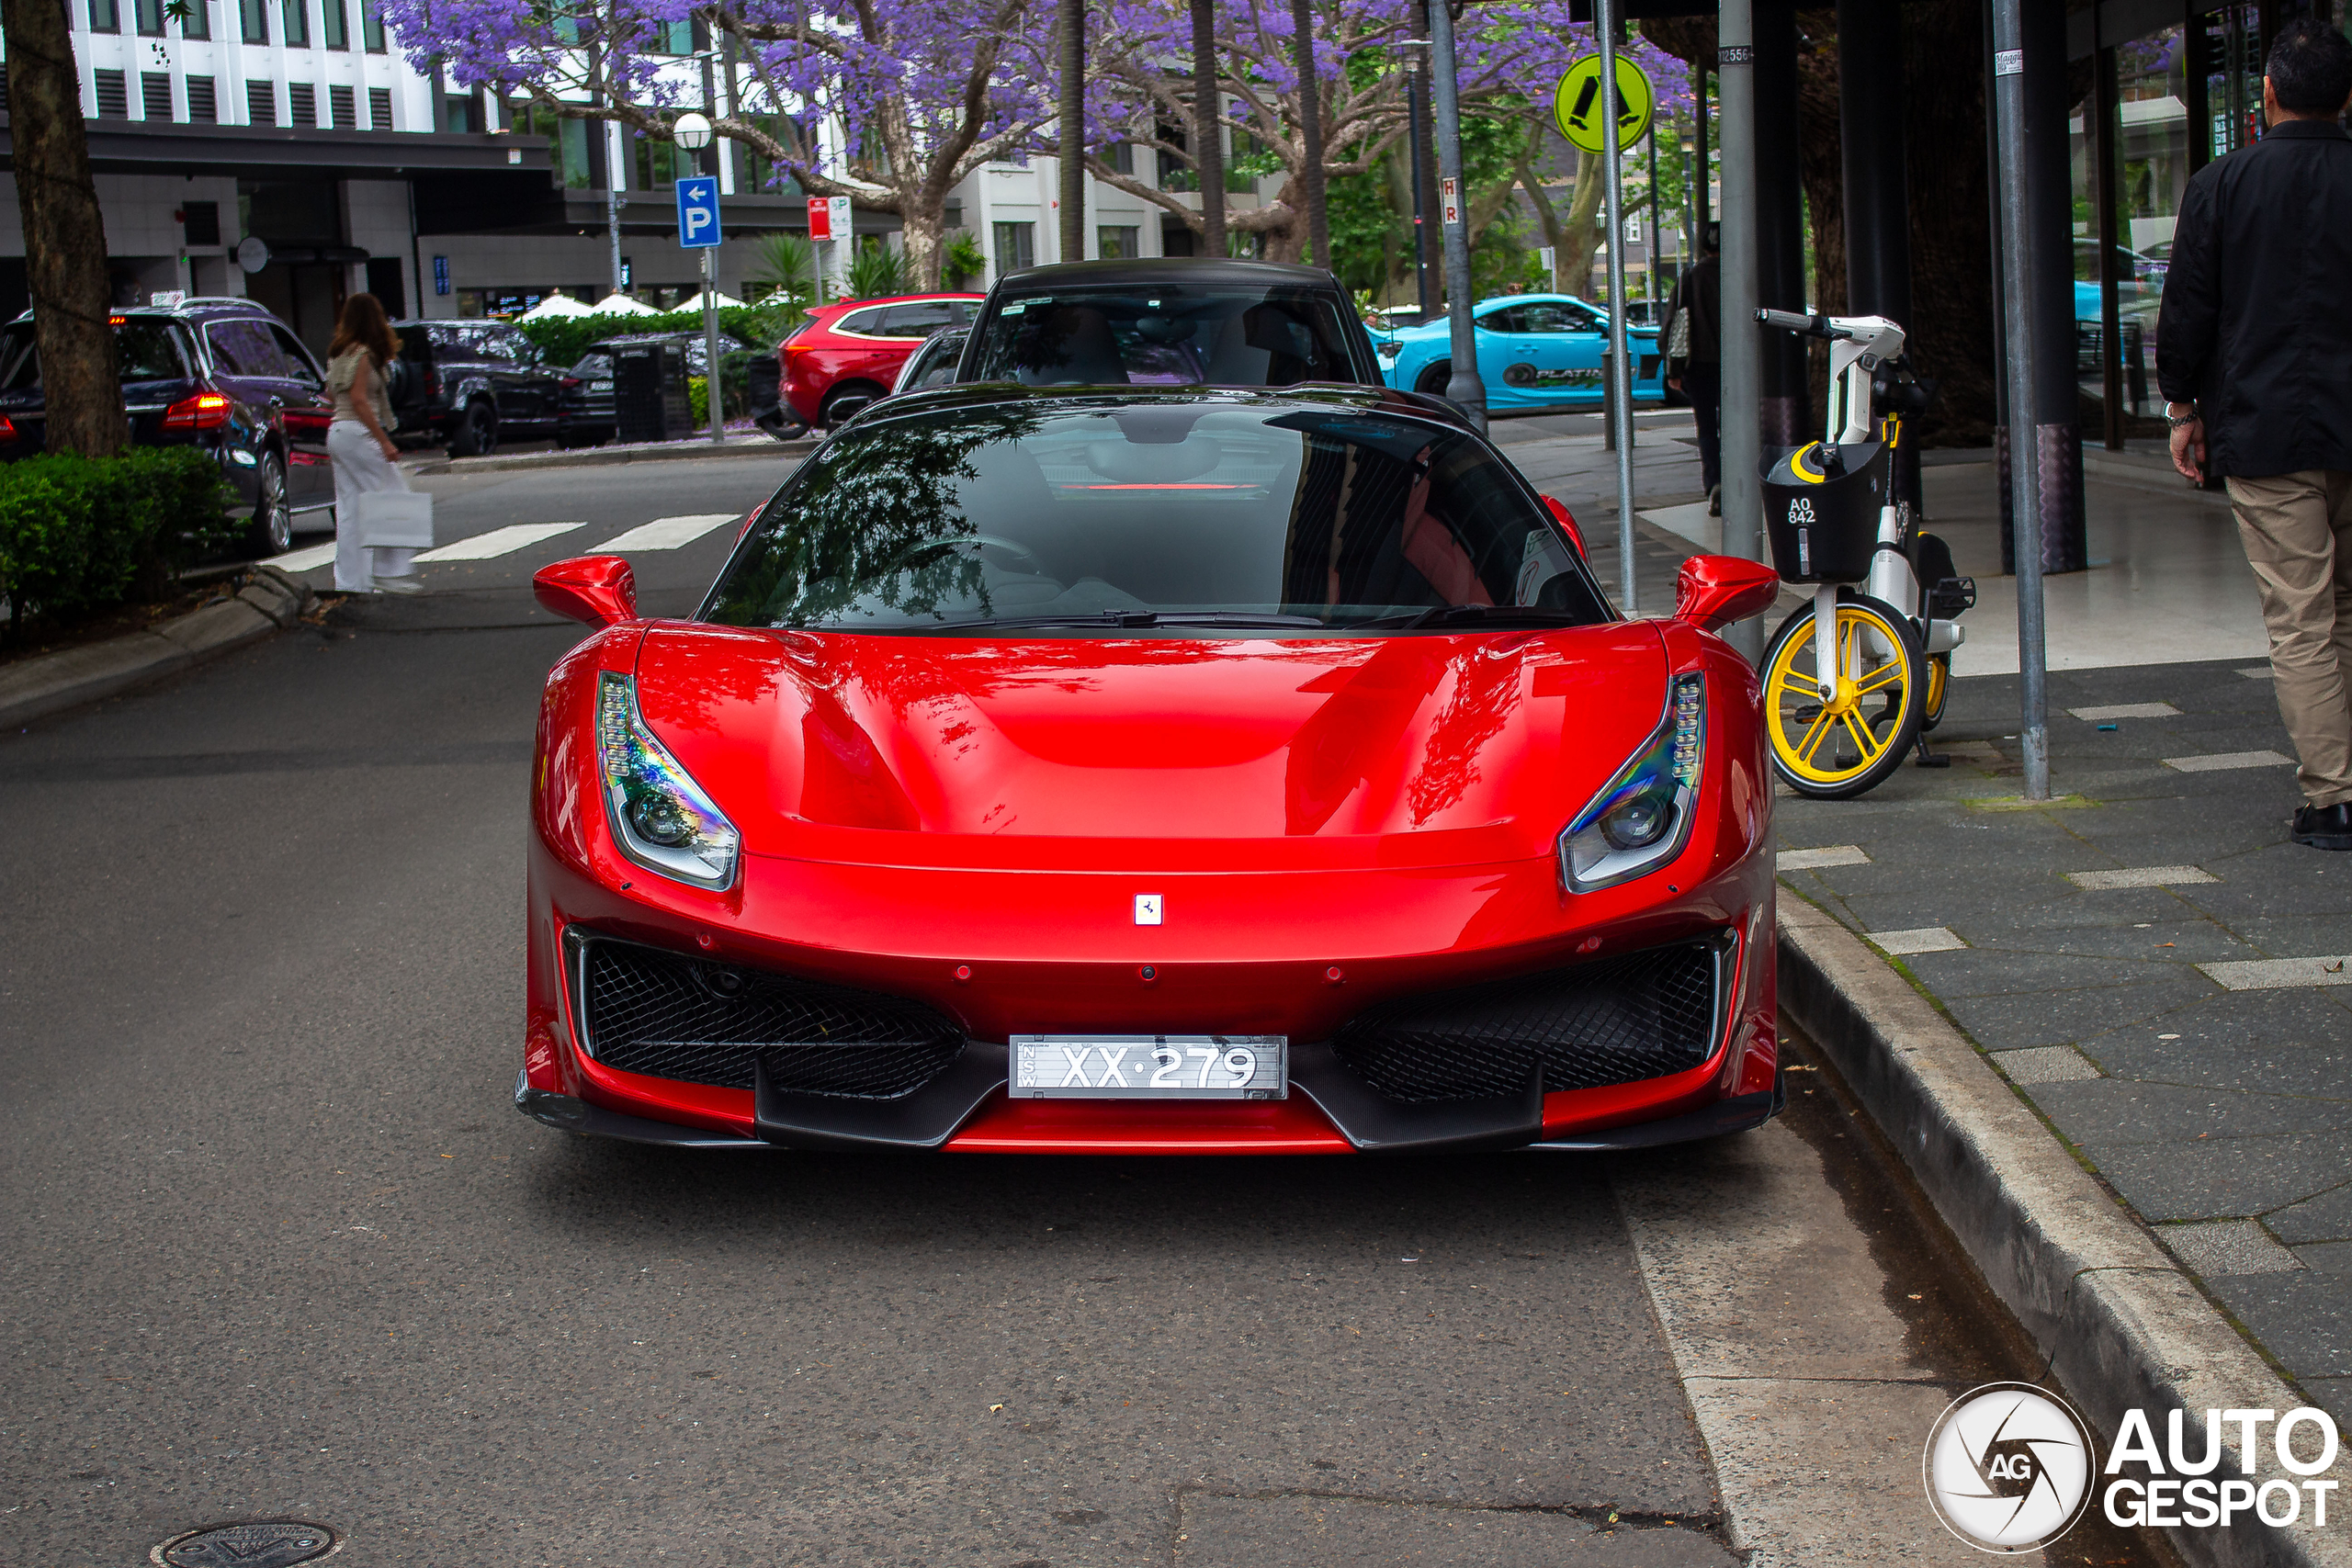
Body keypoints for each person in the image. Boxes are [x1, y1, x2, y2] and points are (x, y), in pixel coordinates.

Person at [2159, 19, 2352, 852]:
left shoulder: (2221, 184)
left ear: (2268, 94)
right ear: (2348, 97)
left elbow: (2189, 309)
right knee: (2343, 611)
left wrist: (2181, 407)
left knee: (2301, 618)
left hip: (2267, 434)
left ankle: (2333, 797)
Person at [325, 293, 421, 596]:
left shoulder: (338, 352)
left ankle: (352, 583)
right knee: (396, 498)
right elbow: (359, 400)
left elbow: (331, 395)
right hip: (358, 433)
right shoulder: (364, 355)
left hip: (337, 432)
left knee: (351, 510)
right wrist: (385, 442)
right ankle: (389, 572)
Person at [1663, 221, 1722, 516]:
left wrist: (1673, 371)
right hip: (1735, 366)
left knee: (1707, 427)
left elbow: (1674, 327)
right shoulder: (1739, 275)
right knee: (1737, 425)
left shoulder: (1689, 278)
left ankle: (1714, 483)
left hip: (1698, 365)